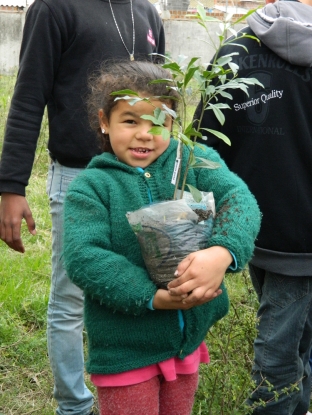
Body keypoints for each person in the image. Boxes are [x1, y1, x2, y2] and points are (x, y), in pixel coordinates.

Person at [62, 60, 261, 415]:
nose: (145, 133)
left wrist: (223, 252)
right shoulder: (92, 187)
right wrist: (152, 296)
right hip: (126, 350)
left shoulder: (194, 161)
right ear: (104, 122)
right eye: (130, 120)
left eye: (159, 122)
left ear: (174, 124)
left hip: (187, 341)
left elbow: (240, 199)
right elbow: (85, 257)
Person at [0, 1, 165, 414]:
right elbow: (27, 97)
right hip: (77, 178)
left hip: (137, 177)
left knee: (138, 283)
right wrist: (11, 186)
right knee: (71, 298)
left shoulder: (146, 12)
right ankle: (74, 405)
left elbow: (163, 102)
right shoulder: (54, 8)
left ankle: (135, 384)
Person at [190, 0, 312, 413]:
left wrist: (208, 219)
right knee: (282, 348)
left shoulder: (232, 49)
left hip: (250, 224)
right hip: (304, 237)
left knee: (292, 335)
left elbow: (202, 146)